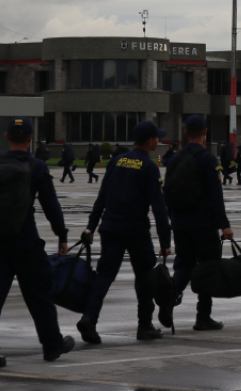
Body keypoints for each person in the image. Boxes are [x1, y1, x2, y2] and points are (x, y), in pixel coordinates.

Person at [0, 120, 75, 369]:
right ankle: (52, 344)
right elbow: (51, 205)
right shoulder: (36, 166)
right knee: (39, 292)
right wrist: (61, 235)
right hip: (24, 238)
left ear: (7, 136)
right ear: (31, 138)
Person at [78, 120, 172, 345]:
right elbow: (158, 207)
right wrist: (165, 240)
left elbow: (102, 196)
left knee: (105, 275)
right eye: (157, 137)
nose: (158, 140)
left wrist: (91, 226)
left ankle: (89, 318)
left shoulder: (117, 161)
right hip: (135, 229)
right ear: (150, 140)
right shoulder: (149, 166)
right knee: (144, 276)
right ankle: (144, 325)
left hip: (110, 227)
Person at [160, 115, 233, 333]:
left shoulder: (174, 159)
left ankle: (169, 298)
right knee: (208, 268)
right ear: (205, 132)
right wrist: (224, 225)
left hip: (180, 223)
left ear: (185, 133)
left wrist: (173, 219)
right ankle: (203, 317)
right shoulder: (208, 159)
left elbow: (167, 192)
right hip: (203, 223)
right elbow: (215, 194)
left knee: (183, 264)